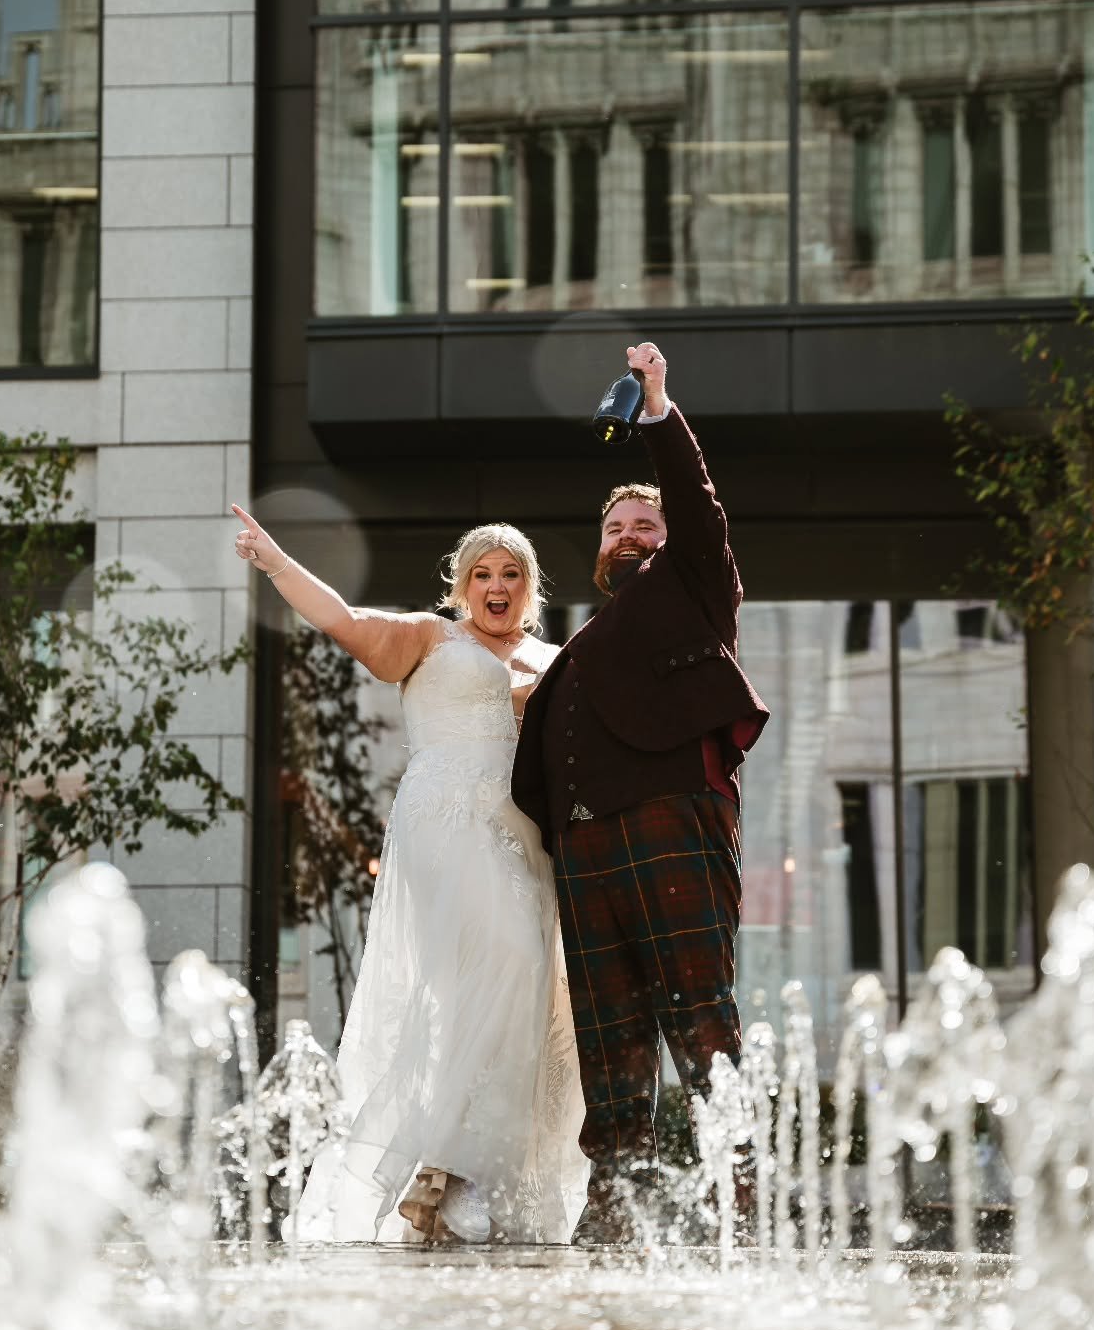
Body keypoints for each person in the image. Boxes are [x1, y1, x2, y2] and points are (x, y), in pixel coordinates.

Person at [231, 502, 589, 1245]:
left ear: (531, 586)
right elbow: (343, 618)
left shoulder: (557, 660)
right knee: (511, 960)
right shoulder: (433, 637)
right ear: (462, 586)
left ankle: (447, 1175)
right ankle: (451, 1165)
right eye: (482, 573)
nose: (497, 584)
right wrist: (275, 562)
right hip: (443, 822)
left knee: (516, 992)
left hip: (524, 834)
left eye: (511, 572)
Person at [512, 341, 770, 1242]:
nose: (628, 535)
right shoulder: (582, 645)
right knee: (608, 1031)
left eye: (642, 527)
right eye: (615, 528)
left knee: (699, 1018)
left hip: (671, 819)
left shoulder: (697, 587)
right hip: (584, 848)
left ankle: (738, 1199)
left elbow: (696, 507)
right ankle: (614, 1205)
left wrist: (658, 408)